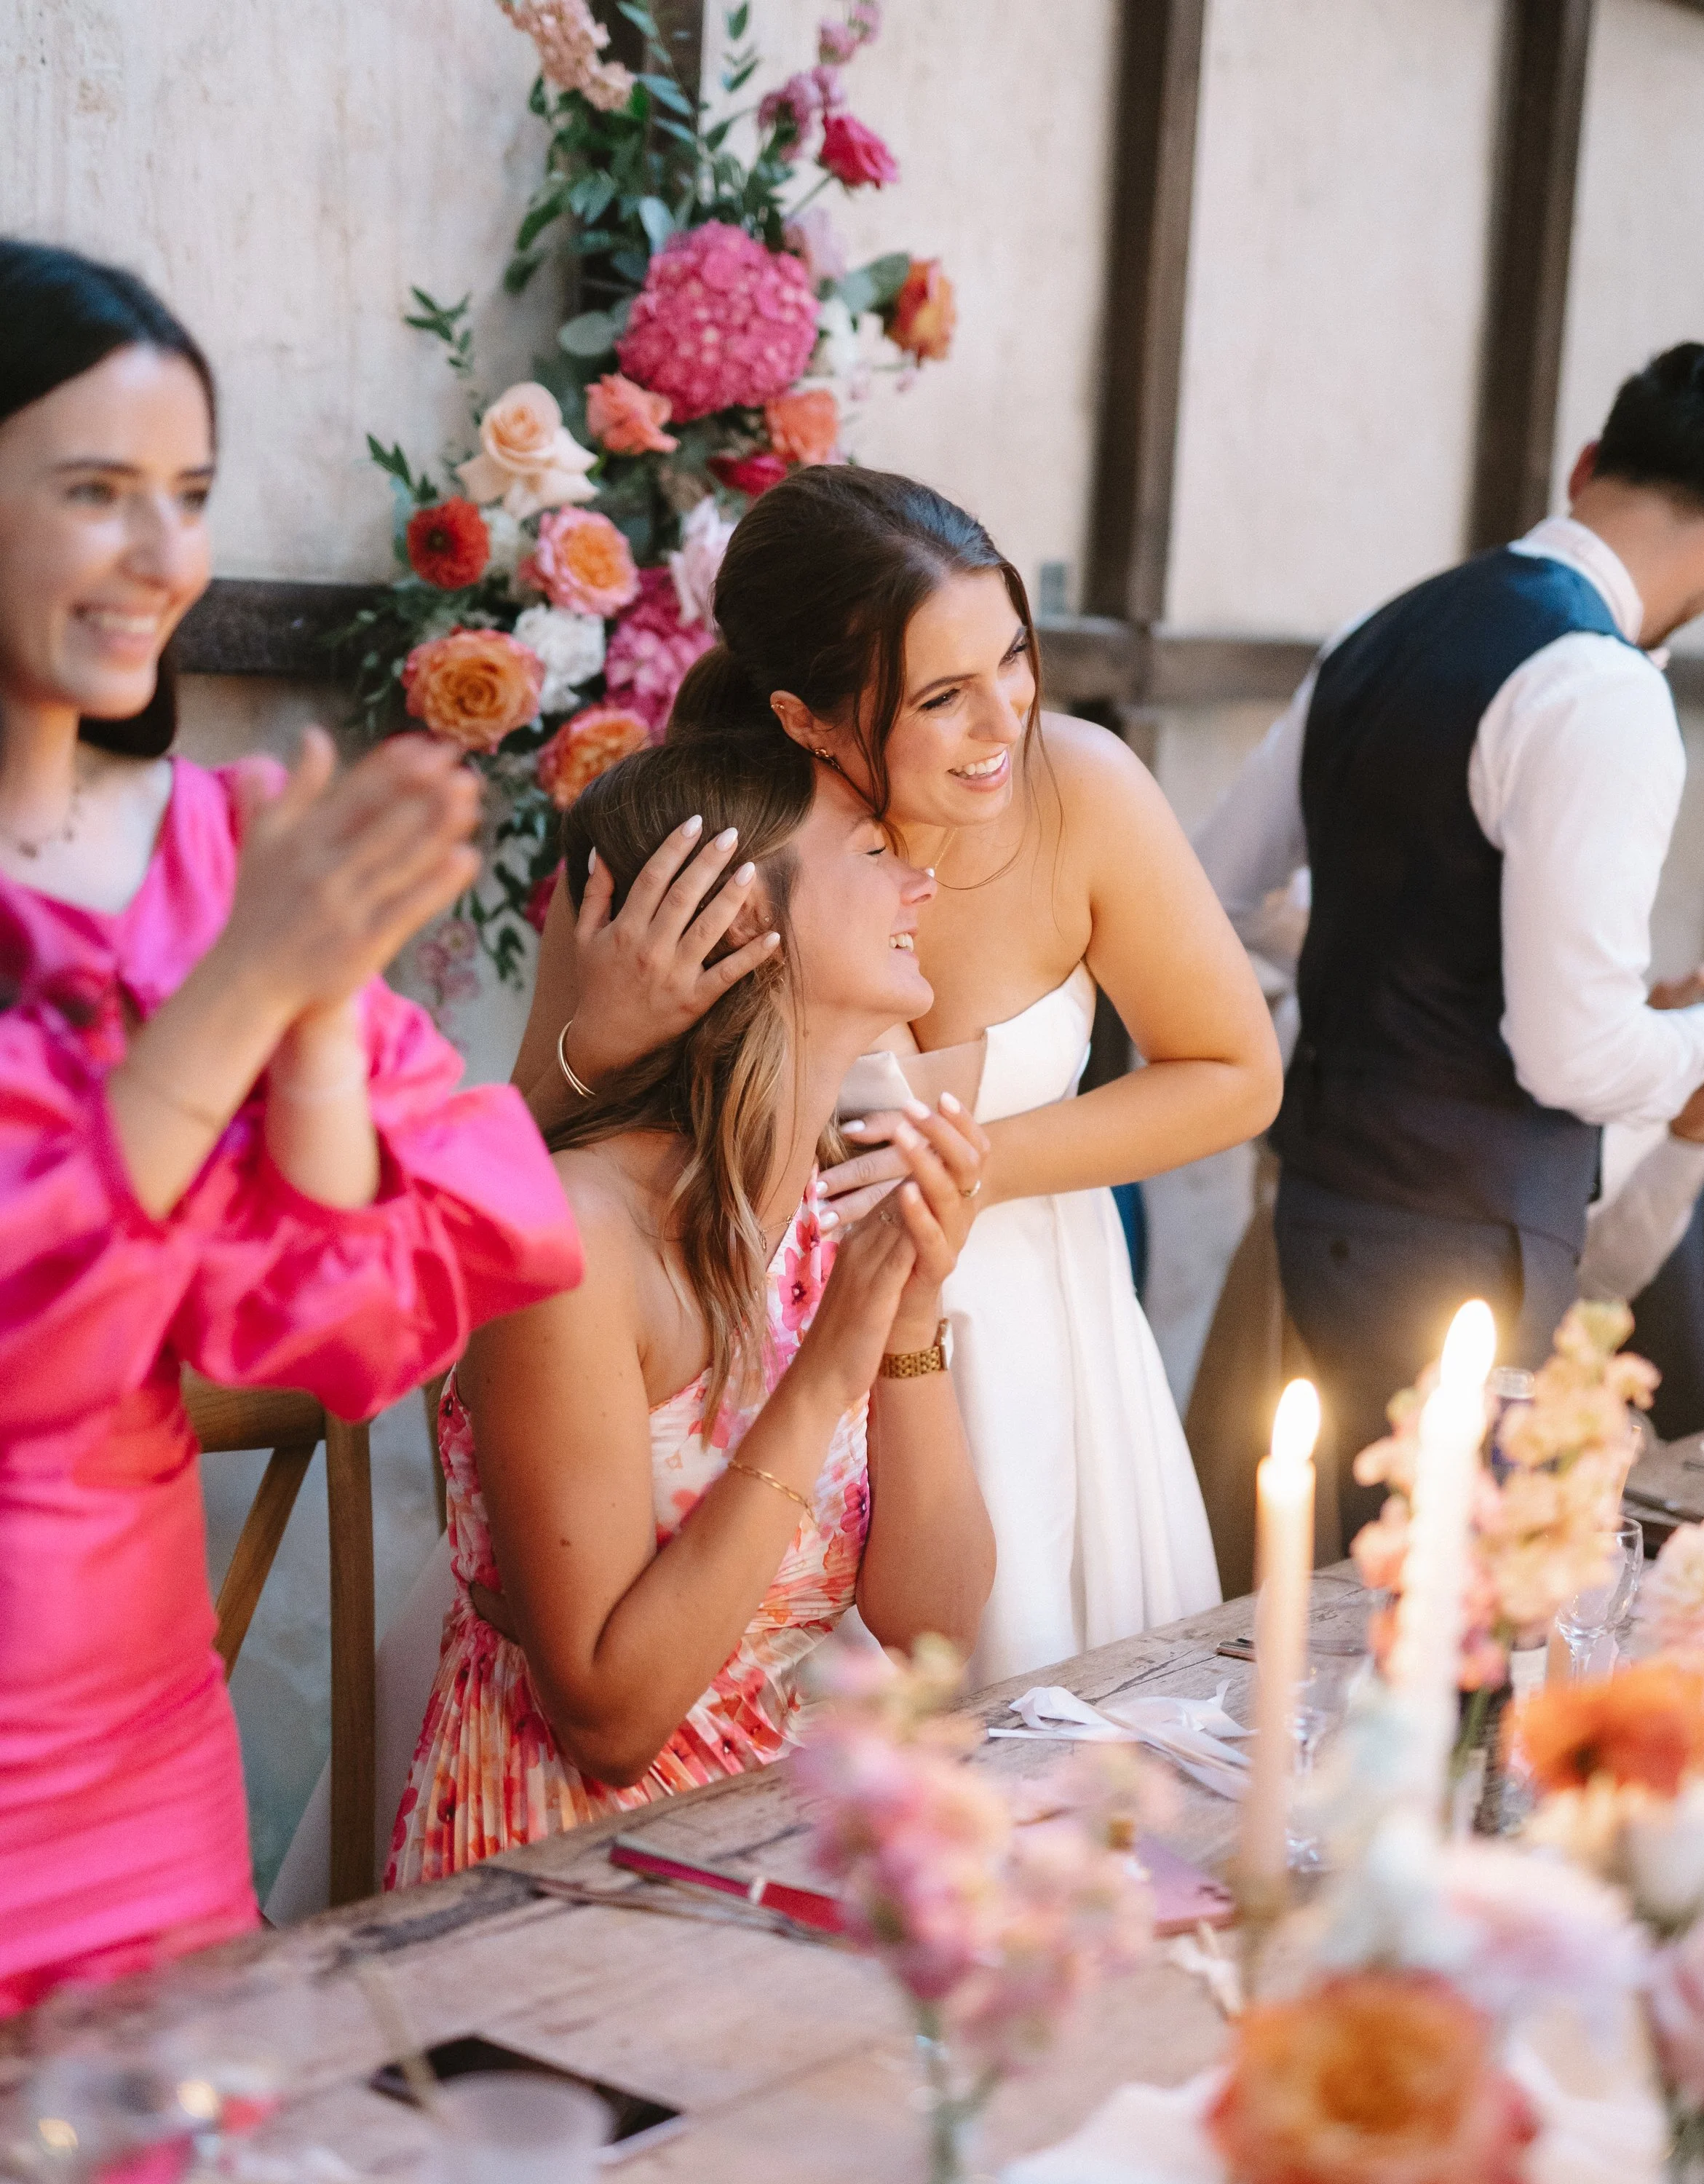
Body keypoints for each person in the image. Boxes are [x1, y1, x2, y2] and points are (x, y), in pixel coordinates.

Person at [0, 241, 582, 2012]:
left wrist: (321, 1011)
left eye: (190, 498)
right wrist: (251, 986)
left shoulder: (215, 851)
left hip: (140, 1765)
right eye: (99, 494)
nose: (168, 561)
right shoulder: (233, 915)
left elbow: (332, 1337)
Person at [510, 469, 1277, 1686]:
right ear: (809, 717)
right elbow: (528, 1186)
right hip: (748, 1378)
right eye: (943, 697)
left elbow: (1236, 1072)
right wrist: (598, 1040)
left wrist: (948, 1186)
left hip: (1035, 1356)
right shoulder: (698, 838)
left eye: (1014, 661)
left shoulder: (1080, 792)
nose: (1004, 723)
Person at [386, 735, 993, 1883]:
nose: (922, 876)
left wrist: (907, 1323)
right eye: (872, 849)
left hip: (772, 1829)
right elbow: (609, 1725)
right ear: (741, 920)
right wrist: (826, 1373)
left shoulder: (828, 1200)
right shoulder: (576, 1235)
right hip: (563, 1870)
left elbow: (936, 1629)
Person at [1194, 342, 1704, 1540]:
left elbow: (1216, 901)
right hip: (1466, 1252)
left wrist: (1406, 956)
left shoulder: (1378, 633)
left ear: (1587, 464)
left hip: (1323, 1206)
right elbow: (1573, 1061)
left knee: (1334, 1604)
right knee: (1448, 1644)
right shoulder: (1606, 690)